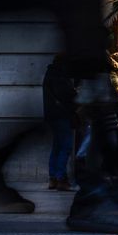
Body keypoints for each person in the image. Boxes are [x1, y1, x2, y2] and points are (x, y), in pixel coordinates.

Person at [44, 55, 78, 191]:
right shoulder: (59, 75)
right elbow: (66, 94)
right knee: (66, 146)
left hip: (53, 115)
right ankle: (61, 178)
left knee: (57, 146)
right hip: (62, 114)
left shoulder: (51, 73)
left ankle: (53, 178)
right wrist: (75, 93)